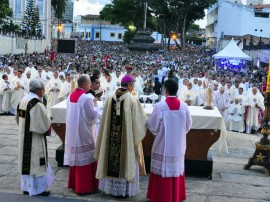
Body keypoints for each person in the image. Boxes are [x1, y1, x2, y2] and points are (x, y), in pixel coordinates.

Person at [95, 75, 147, 197]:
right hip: (126, 141)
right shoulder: (132, 100)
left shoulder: (110, 98)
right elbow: (140, 121)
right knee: (126, 159)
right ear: (129, 85)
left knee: (112, 156)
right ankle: (124, 191)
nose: (133, 87)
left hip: (111, 138)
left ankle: (112, 189)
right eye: (132, 85)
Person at [147, 79, 192, 202]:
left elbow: (153, 127)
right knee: (176, 168)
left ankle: (160, 196)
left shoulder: (159, 106)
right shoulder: (184, 106)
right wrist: (178, 135)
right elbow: (188, 126)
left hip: (162, 145)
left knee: (162, 168)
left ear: (165, 90)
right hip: (178, 146)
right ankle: (177, 195)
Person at [16, 79, 54, 196]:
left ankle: (26, 187)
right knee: (36, 162)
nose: (44, 91)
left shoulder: (23, 100)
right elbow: (44, 125)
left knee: (26, 162)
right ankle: (39, 189)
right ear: (38, 90)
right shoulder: (36, 104)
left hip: (24, 137)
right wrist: (49, 126)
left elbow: (18, 119)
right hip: (34, 139)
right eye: (43, 89)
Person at [64, 74, 100, 194]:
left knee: (76, 157)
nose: (90, 85)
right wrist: (95, 106)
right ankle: (85, 187)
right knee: (86, 157)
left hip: (73, 132)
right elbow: (91, 116)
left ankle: (75, 184)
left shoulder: (70, 96)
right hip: (83, 132)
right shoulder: (86, 98)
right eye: (89, 83)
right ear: (84, 84)